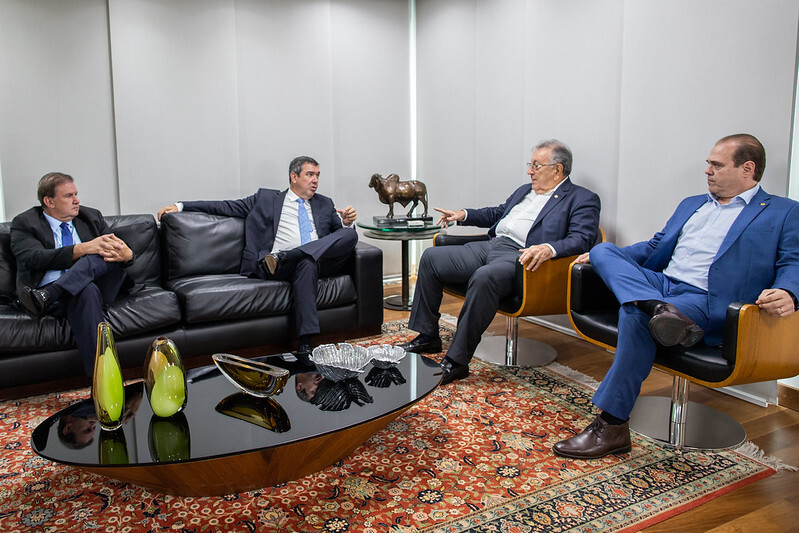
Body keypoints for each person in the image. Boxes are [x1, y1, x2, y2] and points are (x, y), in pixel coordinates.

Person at [553, 133, 799, 460]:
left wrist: (789, 292)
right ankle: (656, 307)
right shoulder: (692, 203)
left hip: (706, 299)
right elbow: (655, 247)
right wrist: (606, 258)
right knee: (602, 250)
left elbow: (794, 260)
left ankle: (612, 424)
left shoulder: (783, 212)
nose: (707, 170)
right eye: (708, 164)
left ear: (747, 169)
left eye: (717, 165)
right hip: (662, 285)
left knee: (634, 314)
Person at [398, 140, 601, 384]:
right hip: (492, 245)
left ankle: (457, 361)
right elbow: (498, 213)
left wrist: (549, 248)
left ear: (557, 169)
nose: (530, 171)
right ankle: (428, 336)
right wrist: (464, 215)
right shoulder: (525, 190)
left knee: (485, 277)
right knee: (431, 258)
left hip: (521, 258)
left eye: (536, 165)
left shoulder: (582, 198)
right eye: (530, 165)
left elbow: (582, 238)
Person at [157, 156, 358, 364]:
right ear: (294, 176)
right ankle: (305, 344)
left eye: (317, 175)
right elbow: (225, 207)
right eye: (310, 174)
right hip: (276, 266)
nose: (315, 180)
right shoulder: (266, 199)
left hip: (312, 262)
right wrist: (181, 206)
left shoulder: (325, 203)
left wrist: (346, 223)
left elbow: (339, 238)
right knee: (306, 263)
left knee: (348, 235)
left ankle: (292, 254)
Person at [11, 172, 135, 375]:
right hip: (72, 296)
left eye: (76, 194)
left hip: (65, 294)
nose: (76, 200)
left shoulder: (91, 216)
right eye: (68, 196)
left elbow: (118, 250)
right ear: (49, 201)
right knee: (86, 289)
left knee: (102, 253)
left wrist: (129, 255)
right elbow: (33, 258)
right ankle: (103, 379)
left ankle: (51, 293)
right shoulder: (25, 223)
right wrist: (83, 248)